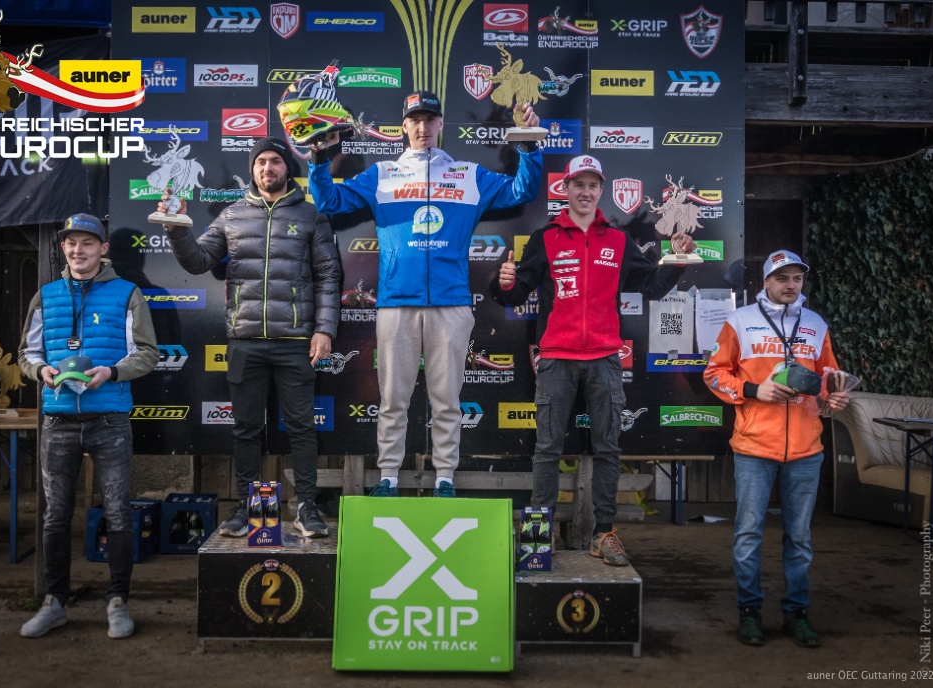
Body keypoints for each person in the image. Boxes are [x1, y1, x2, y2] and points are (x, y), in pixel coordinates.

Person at [308, 90, 543, 498]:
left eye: (430, 119)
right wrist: (318, 158)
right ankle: (388, 476)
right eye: (415, 120)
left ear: (441, 124)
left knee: (447, 399)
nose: (422, 127)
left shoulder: (467, 174)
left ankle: (445, 477)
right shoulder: (383, 174)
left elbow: (522, 191)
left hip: (451, 304)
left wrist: (527, 143)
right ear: (404, 126)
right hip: (396, 303)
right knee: (392, 399)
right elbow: (329, 200)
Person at [490, 155, 697, 566]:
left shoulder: (618, 240)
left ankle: (604, 534)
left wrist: (675, 261)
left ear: (601, 190)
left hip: (605, 358)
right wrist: (504, 283)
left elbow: (652, 287)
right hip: (556, 358)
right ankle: (538, 538)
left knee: (607, 449)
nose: (585, 192)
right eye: (578, 185)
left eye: (592, 185)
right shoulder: (544, 238)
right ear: (565, 189)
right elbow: (516, 294)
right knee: (547, 449)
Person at [158, 137, 341, 538]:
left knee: (301, 427)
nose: (267, 168)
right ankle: (248, 508)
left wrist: (325, 330)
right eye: (260, 162)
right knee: (245, 428)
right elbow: (199, 261)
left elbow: (329, 276)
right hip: (246, 340)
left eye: (275, 161)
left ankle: (306, 507)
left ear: (286, 169)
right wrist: (176, 229)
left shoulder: (311, 216)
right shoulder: (232, 215)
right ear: (253, 170)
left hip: (295, 341)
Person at [17, 213, 158, 639]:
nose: (78, 250)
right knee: (55, 517)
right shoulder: (46, 296)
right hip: (58, 420)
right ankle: (55, 602)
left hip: (109, 419)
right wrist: (40, 371)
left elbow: (148, 353)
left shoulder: (128, 293)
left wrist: (110, 373)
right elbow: (26, 354)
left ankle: (118, 602)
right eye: (71, 243)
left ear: (103, 249)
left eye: (87, 243)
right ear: (63, 248)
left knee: (118, 514)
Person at [703, 250, 850, 648]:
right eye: (782, 278)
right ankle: (749, 612)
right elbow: (714, 374)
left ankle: (796, 614)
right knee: (748, 534)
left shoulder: (816, 324)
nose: (790, 285)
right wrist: (754, 390)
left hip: (806, 449)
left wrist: (834, 396)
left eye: (796, 279)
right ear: (765, 282)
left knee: (799, 538)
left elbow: (828, 379)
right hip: (754, 448)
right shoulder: (740, 321)